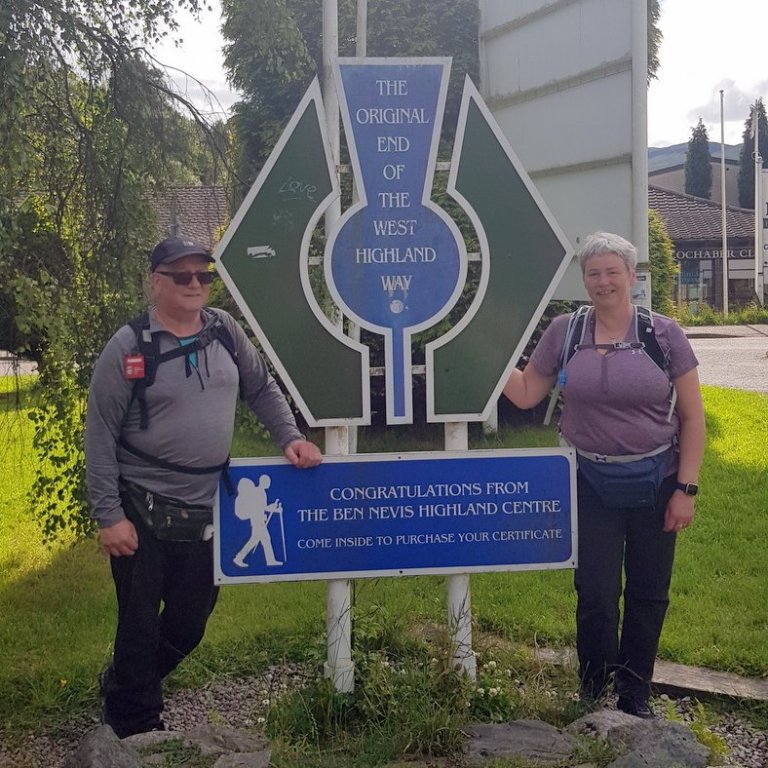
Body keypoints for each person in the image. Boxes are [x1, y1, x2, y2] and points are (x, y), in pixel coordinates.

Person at [85, 236, 322, 738]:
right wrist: (109, 515)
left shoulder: (225, 332)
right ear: (156, 282)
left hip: (207, 507)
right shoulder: (129, 346)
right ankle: (135, 727)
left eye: (203, 275)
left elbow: (261, 388)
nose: (195, 284)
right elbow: (100, 432)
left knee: (190, 623)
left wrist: (291, 437)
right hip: (140, 505)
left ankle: (125, 683)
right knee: (139, 621)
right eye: (182, 276)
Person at [503, 232, 705, 719]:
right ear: (585, 279)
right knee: (595, 593)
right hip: (588, 481)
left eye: (613, 271)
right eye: (593, 273)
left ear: (632, 277)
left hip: (658, 480)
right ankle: (593, 689)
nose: (603, 281)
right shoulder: (566, 332)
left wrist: (685, 488)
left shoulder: (664, 335)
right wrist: (489, 352)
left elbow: (692, 418)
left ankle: (635, 695)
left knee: (648, 592)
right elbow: (527, 393)